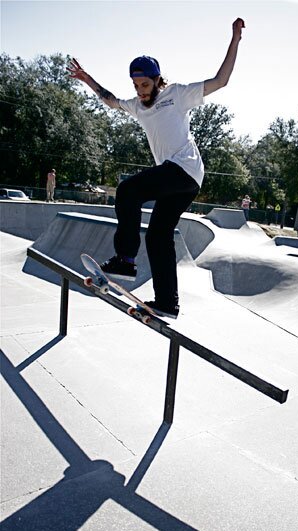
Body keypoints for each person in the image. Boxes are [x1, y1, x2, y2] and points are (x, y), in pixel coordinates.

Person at [68, 18, 245, 318]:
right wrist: (87, 79)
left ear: (157, 80)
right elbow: (111, 101)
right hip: (184, 182)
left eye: (145, 85)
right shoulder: (138, 106)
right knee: (158, 236)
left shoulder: (176, 95)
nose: (140, 91)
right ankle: (167, 303)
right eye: (136, 86)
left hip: (184, 168)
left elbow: (220, 80)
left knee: (128, 190)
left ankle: (125, 259)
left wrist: (235, 40)